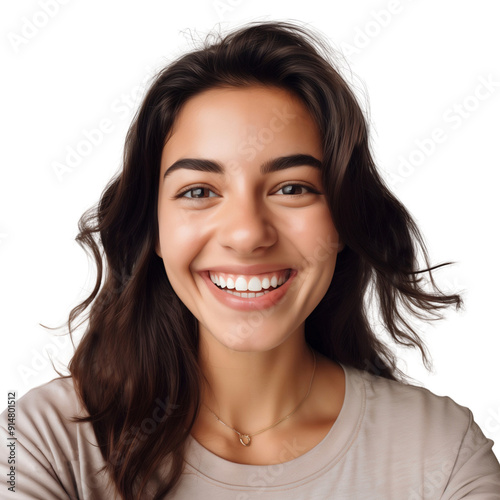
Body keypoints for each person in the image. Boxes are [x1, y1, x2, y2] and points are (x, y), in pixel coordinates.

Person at [1, 20, 499, 499]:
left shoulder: (440, 451)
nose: (247, 234)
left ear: (344, 219)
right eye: (199, 190)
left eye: (291, 188)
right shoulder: (33, 437)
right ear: (152, 229)